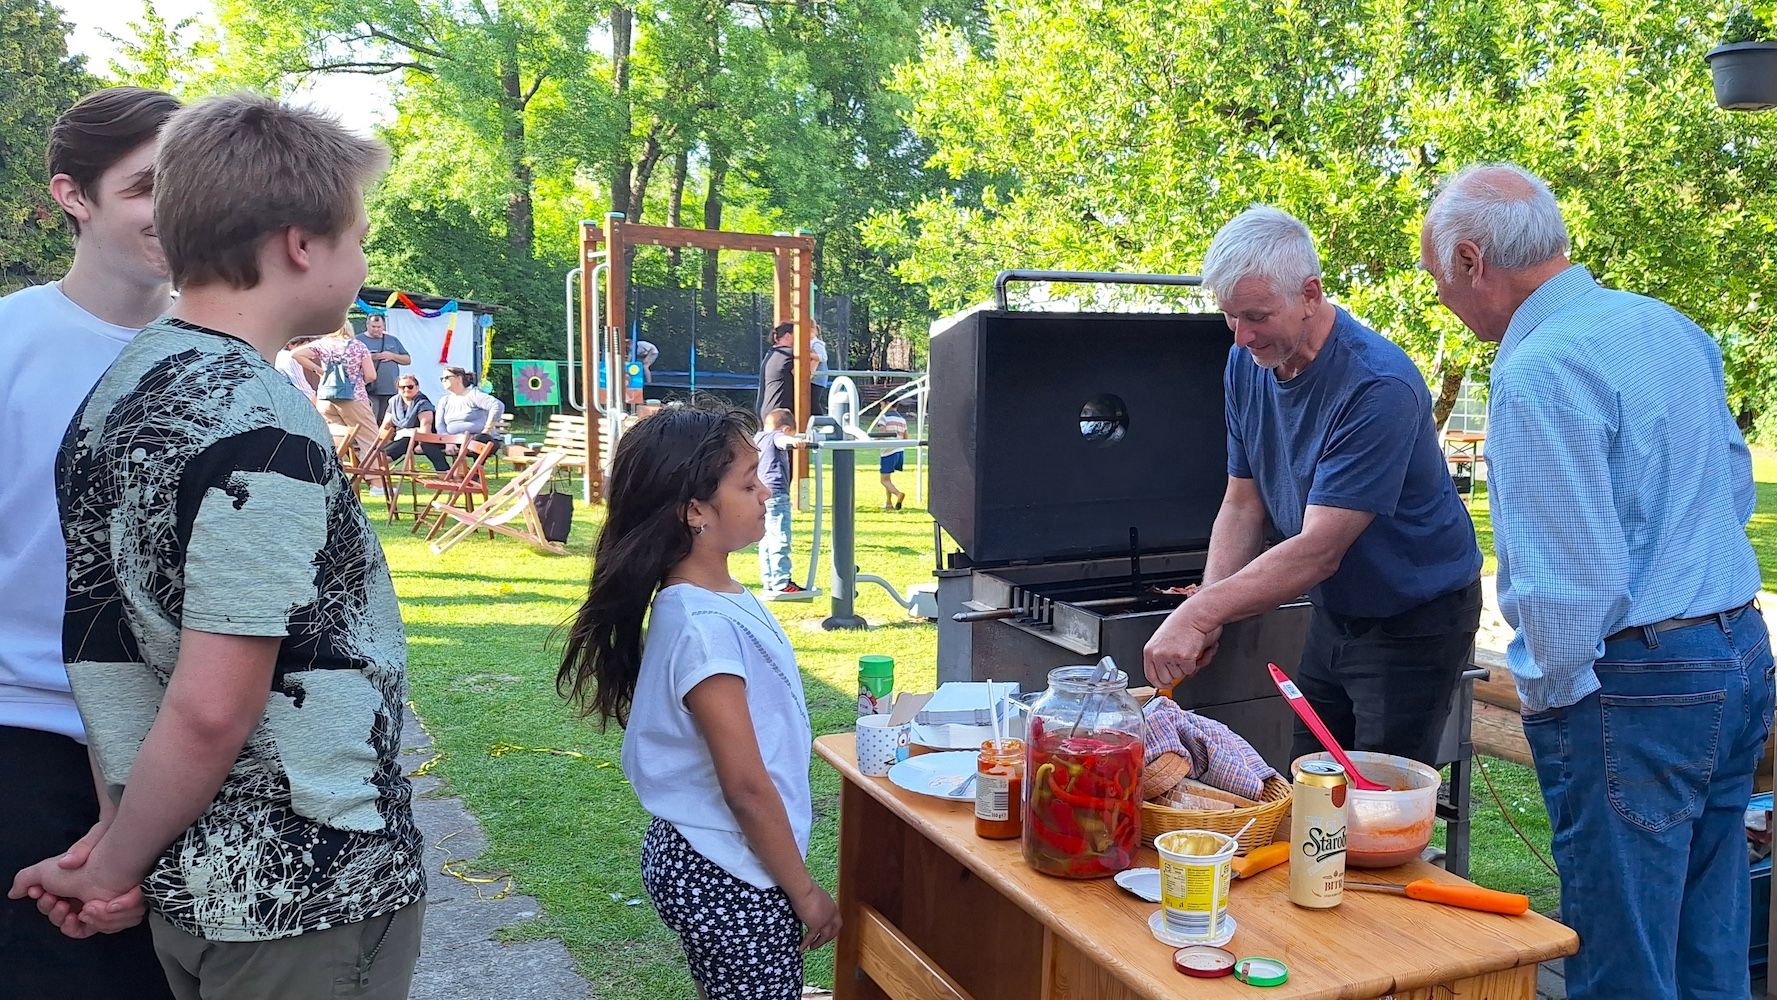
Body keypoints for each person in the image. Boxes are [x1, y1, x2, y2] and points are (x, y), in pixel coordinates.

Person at [9, 94, 426, 1000]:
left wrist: (118, 836)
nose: (360, 260)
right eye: (356, 236)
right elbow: (210, 704)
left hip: (194, 884)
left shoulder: (120, 390)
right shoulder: (259, 425)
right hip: (304, 890)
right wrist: (115, 861)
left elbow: (107, 643)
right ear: (299, 244)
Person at [1421, 163, 1770, 1000]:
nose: (1439, 297)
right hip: (1736, 653)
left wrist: (1547, 700)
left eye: (1436, 276)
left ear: (1472, 260)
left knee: (1623, 961)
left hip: (1638, 684)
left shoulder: (1538, 366)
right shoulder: (1664, 326)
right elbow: (1727, 490)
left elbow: (1568, 580)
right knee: (1706, 939)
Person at [1143, 205, 1483, 770]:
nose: (1242, 335)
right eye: (1230, 317)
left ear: (1310, 293)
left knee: (1379, 797)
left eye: (1256, 315)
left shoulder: (1377, 385)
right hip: (1335, 611)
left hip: (1415, 617)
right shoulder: (1245, 362)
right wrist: (1211, 606)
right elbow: (1242, 502)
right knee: (1314, 778)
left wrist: (1198, 615)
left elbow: (1320, 549)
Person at [556, 405, 839, 998]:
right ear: (694, 512)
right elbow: (745, 786)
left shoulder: (719, 597)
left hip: (714, 853)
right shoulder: (700, 625)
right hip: (727, 869)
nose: (766, 490)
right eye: (747, 482)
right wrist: (805, 892)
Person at [0, 85, 180, 1000]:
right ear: (75, 196)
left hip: (187, 754)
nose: (177, 208)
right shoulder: (9, 343)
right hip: (29, 740)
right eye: (150, 185)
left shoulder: (228, 353)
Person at [298, 321, 379, 460]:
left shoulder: (322, 344)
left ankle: (333, 473)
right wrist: (359, 383)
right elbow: (371, 375)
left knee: (335, 438)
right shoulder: (358, 346)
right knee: (369, 438)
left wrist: (319, 370)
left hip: (325, 396)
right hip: (354, 396)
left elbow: (296, 354)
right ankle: (375, 480)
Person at [754, 408, 806, 599]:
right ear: (785, 429)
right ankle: (782, 582)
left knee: (766, 538)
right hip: (777, 495)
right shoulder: (778, 437)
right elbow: (782, 440)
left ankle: (769, 580)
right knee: (780, 537)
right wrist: (795, 441)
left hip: (760, 495)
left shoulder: (758, 437)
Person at [379, 374, 447, 473]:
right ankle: (378, 459)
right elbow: (386, 426)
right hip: (401, 437)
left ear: (417, 387)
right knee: (391, 445)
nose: (406, 389)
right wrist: (378, 443)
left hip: (422, 439)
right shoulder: (394, 402)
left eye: (410, 386)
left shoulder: (423, 403)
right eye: (402, 387)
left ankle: (381, 460)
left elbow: (426, 427)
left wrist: (421, 444)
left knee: (406, 440)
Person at [356, 313, 411, 424]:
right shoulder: (358, 340)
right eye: (373, 327)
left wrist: (392, 356)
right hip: (369, 389)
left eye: (379, 327)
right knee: (370, 420)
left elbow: (407, 360)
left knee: (387, 422)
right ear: (367, 325)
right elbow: (351, 361)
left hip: (391, 389)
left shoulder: (392, 340)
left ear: (384, 326)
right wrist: (371, 357)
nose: (376, 330)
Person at [436, 365, 505, 443]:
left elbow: (497, 405)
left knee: (478, 441)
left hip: (477, 440)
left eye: (446, 377)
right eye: (442, 379)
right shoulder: (444, 401)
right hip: (453, 441)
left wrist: (486, 430)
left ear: (459, 378)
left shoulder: (473, 395)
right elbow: (440, 426)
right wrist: (448, 443)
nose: (443, 381)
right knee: (427, 444)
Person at [757, 322, 795, 421]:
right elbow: (806, 376)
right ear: (787, 336)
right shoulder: (789, 354)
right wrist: (819, 358)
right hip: (780, 412)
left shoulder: (771, 353)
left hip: (765, 410)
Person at [876, 402, 908, 510]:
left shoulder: (884, 418)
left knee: (884, 480)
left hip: (888, 451)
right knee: (888, 479)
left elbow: (882, 434)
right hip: (899, 451)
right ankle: (888, 503)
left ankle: (898, 494)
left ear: (887, 404)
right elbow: (906, 437)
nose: (881, 407)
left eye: (881, 405)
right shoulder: (902, 419)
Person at [274, 334, 319, 400]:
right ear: (291, 346)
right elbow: (304, 390)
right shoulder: (290, 358)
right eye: (303, 347)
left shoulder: (281, 354)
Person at [808, 324, 831, 416]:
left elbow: (823, 357)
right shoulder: (808, 342)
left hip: (818, 378)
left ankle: (821, 421)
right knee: (810, 401)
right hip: (813, 377)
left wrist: (808, 354)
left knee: (814, 401)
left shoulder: (817, 343)